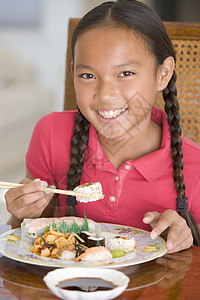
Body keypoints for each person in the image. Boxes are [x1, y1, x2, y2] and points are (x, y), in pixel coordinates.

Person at [5, 0, 200, 252]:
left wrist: (187, 238)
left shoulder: (193, 166)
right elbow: (21, 242)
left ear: (163, 74)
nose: (105, 94)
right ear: (73, 71)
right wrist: (22, 214)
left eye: (126, 73)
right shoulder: (50, 134)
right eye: (88, 75)